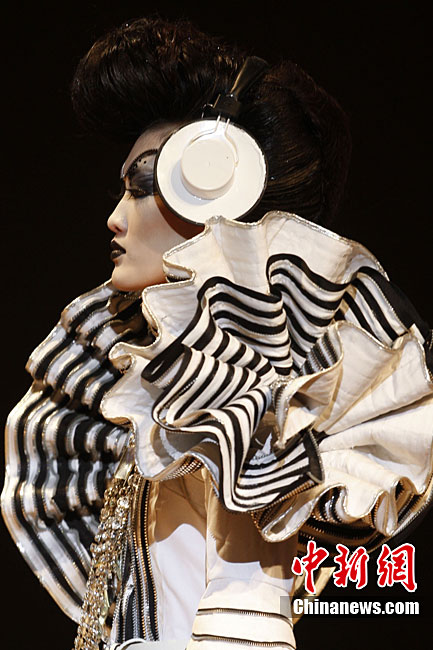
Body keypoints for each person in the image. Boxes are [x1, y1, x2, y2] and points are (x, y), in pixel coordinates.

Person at [2, 16, 433, 650]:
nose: (115, 218)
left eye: (142, 186)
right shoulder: (181, 393)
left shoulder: (244, 403)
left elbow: (247, 617)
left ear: (215, 191)